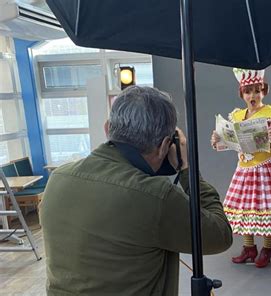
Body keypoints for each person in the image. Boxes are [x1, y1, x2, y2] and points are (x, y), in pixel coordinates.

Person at [40, 86, 232, 296]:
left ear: (107, 128)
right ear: (166, 145)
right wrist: (187, 170)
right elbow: (220, 235)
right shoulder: (155, 196)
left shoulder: (58, 177)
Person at [211, 68, 271, 268]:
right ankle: (249, 248)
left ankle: (266, 249)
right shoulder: (237, 116)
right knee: (245, 207)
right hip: (245, 168)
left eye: (256, 90)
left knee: (266, 207)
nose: (252, 95)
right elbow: (232, 141)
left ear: (263, 91)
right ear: (242, 94)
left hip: (266, 168)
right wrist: (218, 138)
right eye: (248, 91)